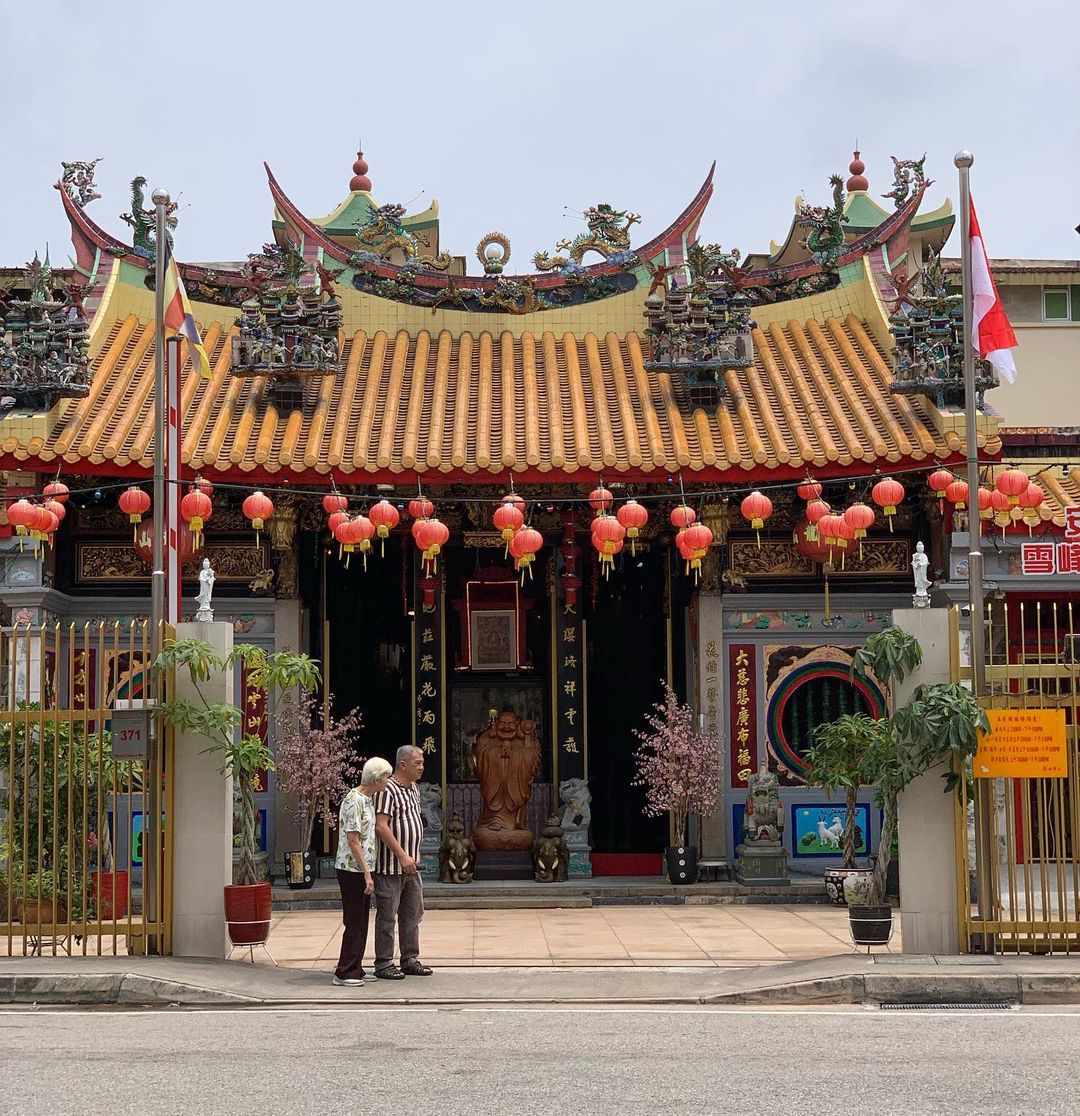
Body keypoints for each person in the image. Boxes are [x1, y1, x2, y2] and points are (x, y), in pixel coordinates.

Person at [372, 745, 432, 979]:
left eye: (422, 763)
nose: (421, 767)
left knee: (412, 913)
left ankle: (410, 958)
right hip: (390, 866)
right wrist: (401, 854)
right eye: (417, 763)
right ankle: (384, 962)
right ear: (403, 764)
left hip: (411, 866)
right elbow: (381, 825)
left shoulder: (414, 789)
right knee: (387, 916)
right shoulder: (388, 789)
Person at [333, 756, 392, 988]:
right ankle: (345, 970)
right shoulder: (354, 800)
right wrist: (367, 874)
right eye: (386, 777)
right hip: (352, 869)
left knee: (362, 920)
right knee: (354, 920)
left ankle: (355, 966)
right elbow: (353, 839)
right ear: (376, 779)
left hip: (364, 868)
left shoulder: (368, 799)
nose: (387, 782)